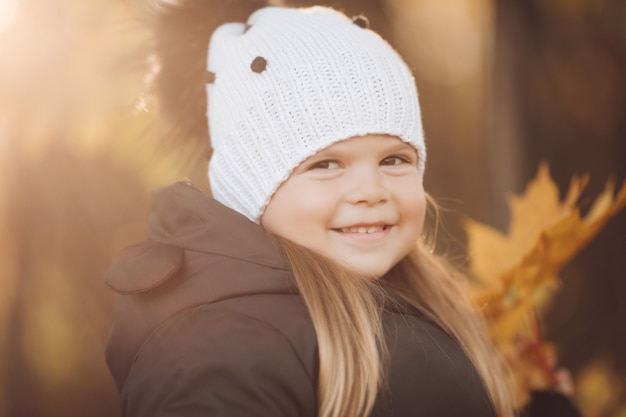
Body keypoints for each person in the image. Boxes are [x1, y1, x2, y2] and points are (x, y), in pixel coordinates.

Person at [104, 1, 516, 416]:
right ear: (252, 187)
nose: (371, 191)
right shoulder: (219, 346)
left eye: (394, 159)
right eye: (325, 164)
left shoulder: (423, 301)